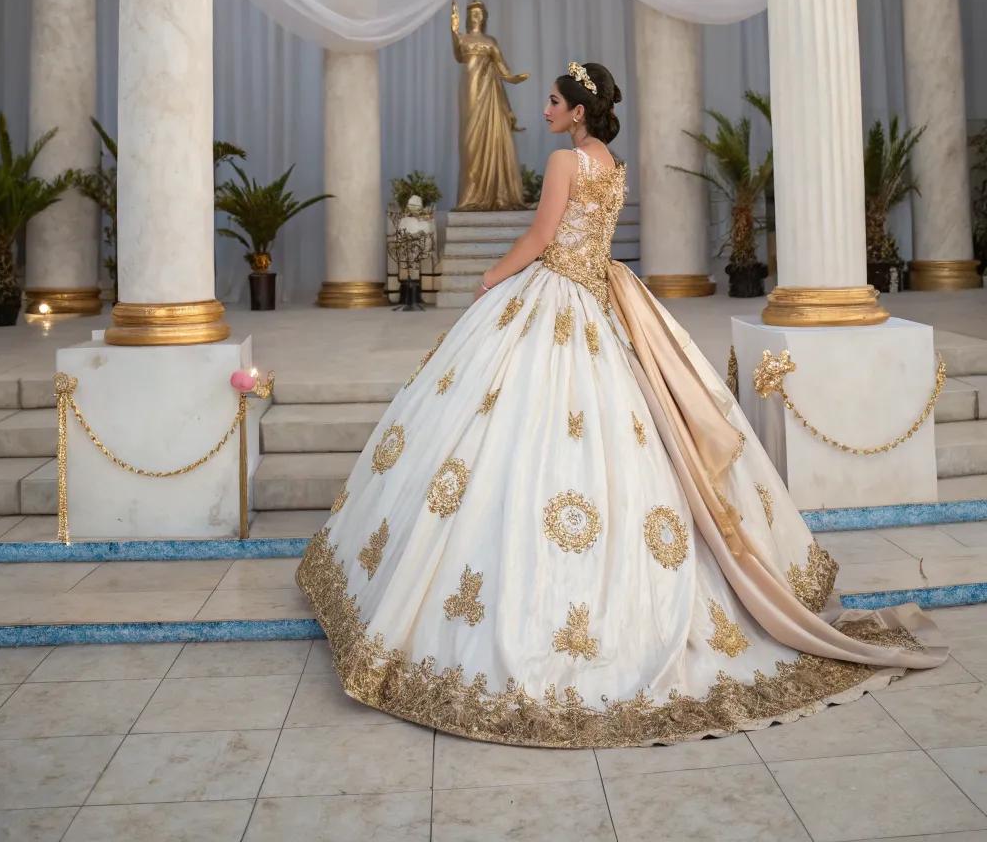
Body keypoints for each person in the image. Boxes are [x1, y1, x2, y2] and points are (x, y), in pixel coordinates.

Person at [297, 61, 945, 747]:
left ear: (578, 111)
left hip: (555, 299)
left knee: (506, 434)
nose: (542, 109)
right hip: (598, 303)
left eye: (552, 100)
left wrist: (490, 278)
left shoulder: (562, 161)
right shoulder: (611, 163)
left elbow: (542, 239)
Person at [451, 0, 529, 210]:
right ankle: (471, 194)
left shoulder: (490, 41)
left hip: (488, 91)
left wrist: (514, 78)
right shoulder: (463, 39)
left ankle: (495, 192)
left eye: (480, 13)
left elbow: (503, 68)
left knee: (488, 137)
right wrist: (453, 29)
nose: (477, 16)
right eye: (473, 13)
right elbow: (458, 55)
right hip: (468, 91)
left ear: (484, 17)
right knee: (469, 143)